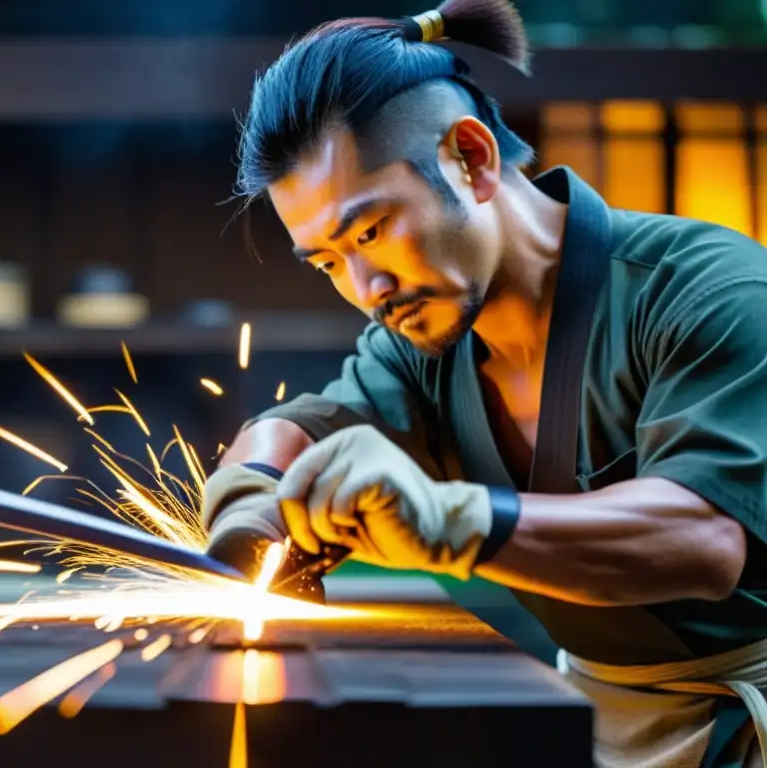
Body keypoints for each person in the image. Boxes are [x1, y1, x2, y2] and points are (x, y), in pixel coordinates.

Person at [198, 0, 767, 766]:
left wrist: (453, 521)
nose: (367, 286)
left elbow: (703, 539)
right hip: (597, 720)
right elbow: (304, 426)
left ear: (471, 158)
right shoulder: (422, 346)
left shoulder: (707, 290)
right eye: (330, 261)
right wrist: (251, 505)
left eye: (369, 232)